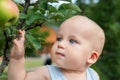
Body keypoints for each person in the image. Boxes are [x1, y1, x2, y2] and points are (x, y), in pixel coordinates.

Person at [8, 15, 105, 80]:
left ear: (91, 57)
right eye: (59, 38)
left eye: (72, 41)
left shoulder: (93, 76)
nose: (60, 44)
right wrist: (17, 59)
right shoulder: (47, 73)